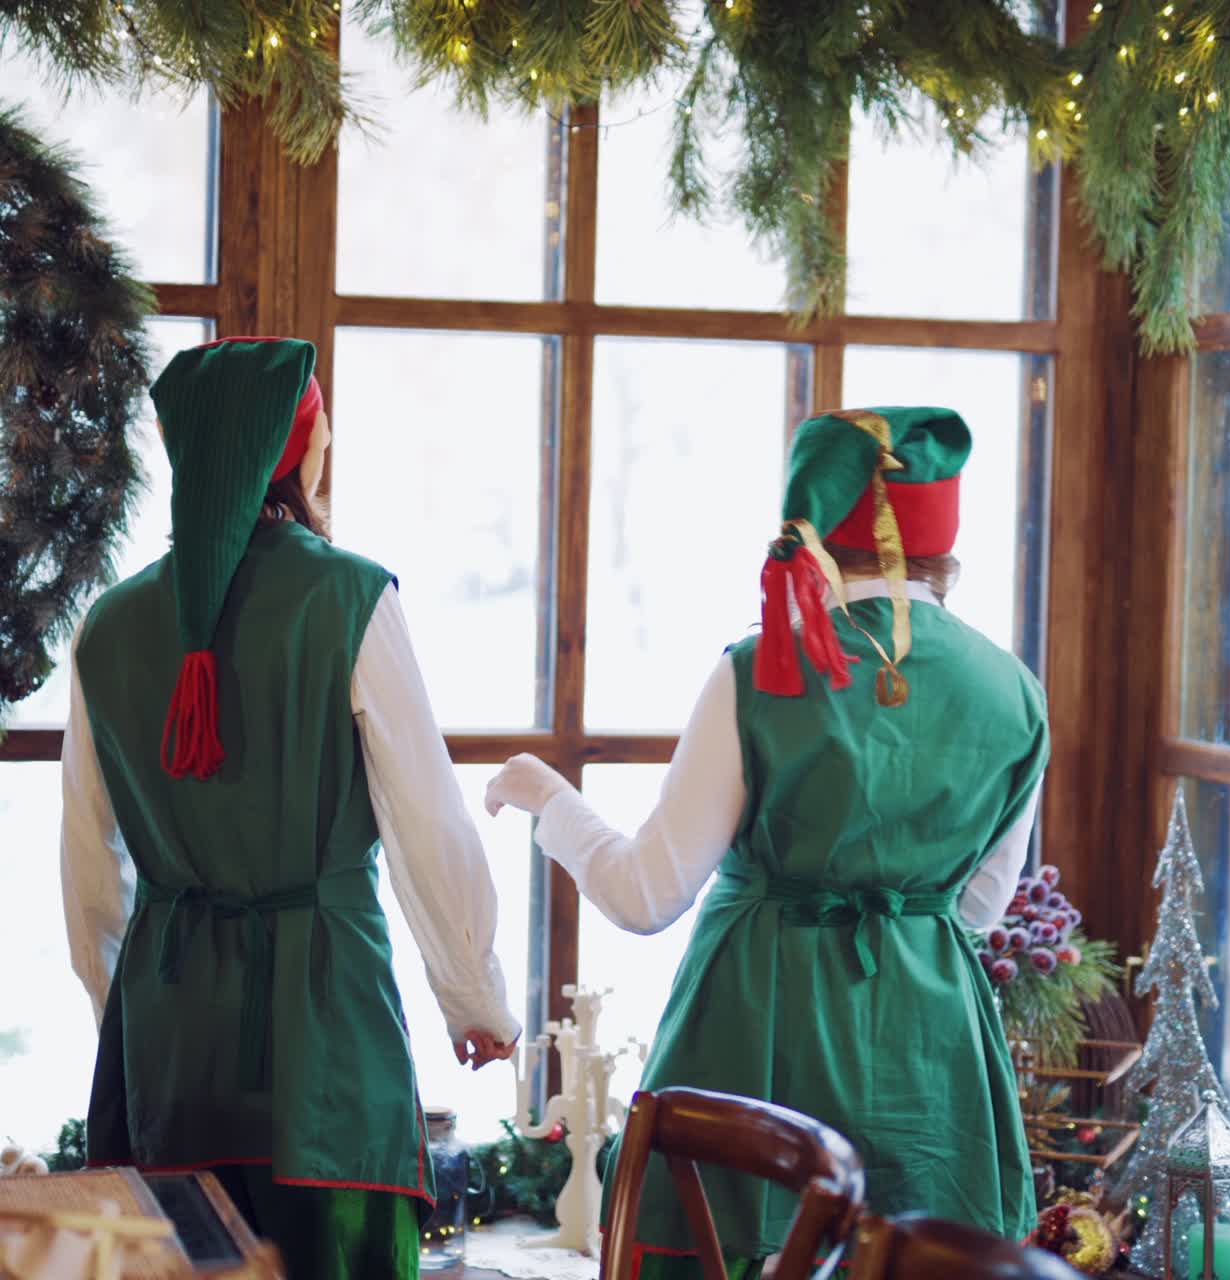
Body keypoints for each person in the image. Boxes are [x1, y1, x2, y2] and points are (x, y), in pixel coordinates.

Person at [486, 406, 1047, 1277]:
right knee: (921, 1252)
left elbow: (646, 895)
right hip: (934, 1052)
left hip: (761, 1024)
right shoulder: (1014, 693)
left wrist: (546, 798)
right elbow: (979, 908)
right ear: (943, 545)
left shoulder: (759, 671)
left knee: (743, 1246)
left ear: (814, 532)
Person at [60, 336, 520, 1280]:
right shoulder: (347, 595)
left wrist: (133, 1009)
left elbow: (86, 863)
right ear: (300, 455)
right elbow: (426, 822)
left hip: (171, 1041)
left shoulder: (107, 625)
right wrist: (473, 998)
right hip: (324, 1036)